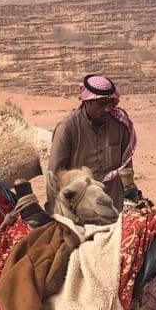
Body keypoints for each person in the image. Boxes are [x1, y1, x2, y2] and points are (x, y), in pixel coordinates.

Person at [46, 74, 138, 210]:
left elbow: (126, 166)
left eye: (110, 103)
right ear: (87, 102)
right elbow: (54, 174)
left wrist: (130, 197)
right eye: (100, 104)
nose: (107, 109)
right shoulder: (68, 128)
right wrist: (55, 210)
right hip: (80, 209)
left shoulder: (120, 126)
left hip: (113, 205)